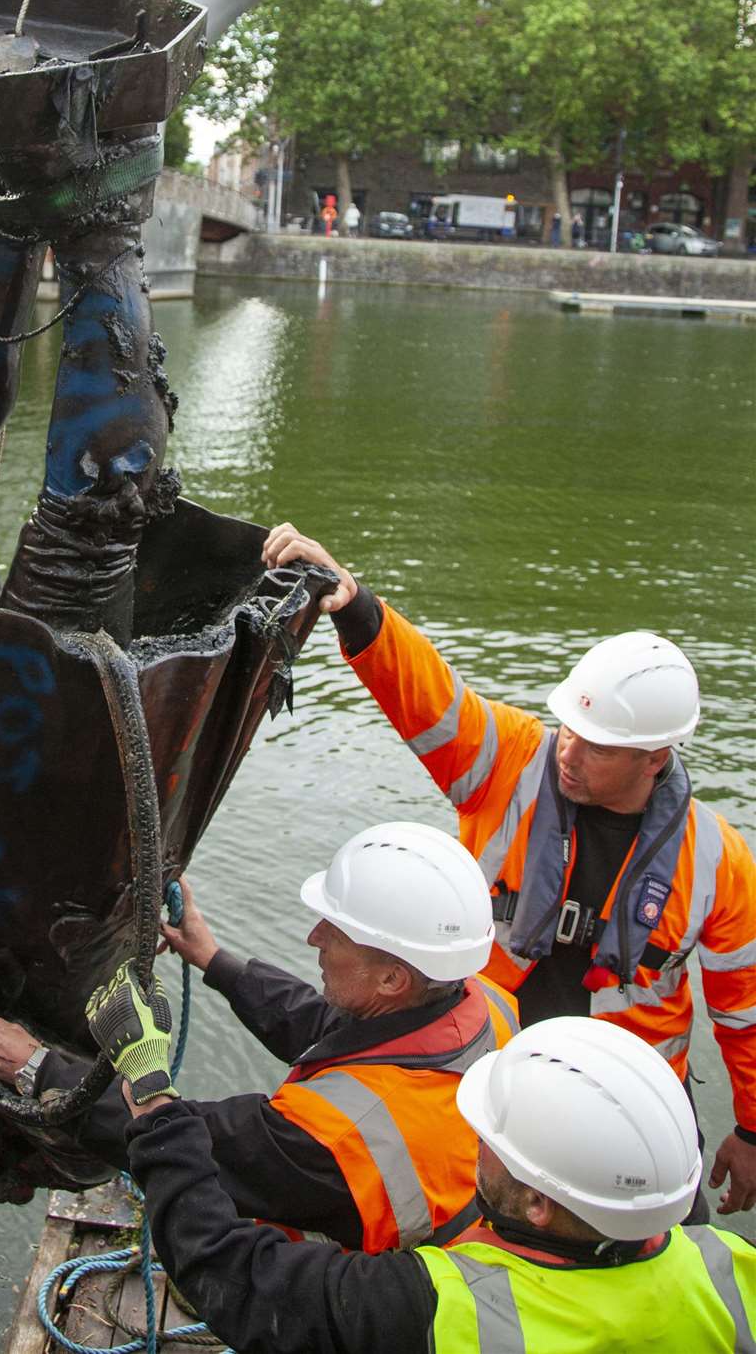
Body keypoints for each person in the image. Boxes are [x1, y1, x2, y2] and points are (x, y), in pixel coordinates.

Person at [261, 523, 756, 1221]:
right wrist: (357, 607)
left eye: (599, 746)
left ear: (655, 757)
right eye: (569, 728)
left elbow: (746, 1010)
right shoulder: (510, 762)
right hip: (487, 1071)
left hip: (626, 1098)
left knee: (670, 1250)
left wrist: (752, 1128)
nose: (570, 752)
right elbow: (431, 698)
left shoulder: (720, 863)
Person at [85, 980, 756, 1354]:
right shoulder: (729, 1267)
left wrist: (152, 1093)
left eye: (492, 1138)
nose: (473, 1135)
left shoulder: (442, 1308)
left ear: (538, 1206)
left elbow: (232, 1273)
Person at [0, 822, 518, 1251]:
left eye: (335, 930)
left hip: (368, 1304)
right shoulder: (481, 1004)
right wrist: (213, 958)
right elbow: (328, 1027)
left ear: (394, 978)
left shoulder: (343, 1139)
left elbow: (197, 1143)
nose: (312, 937)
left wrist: (37, 1068)